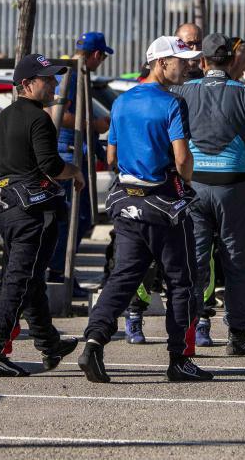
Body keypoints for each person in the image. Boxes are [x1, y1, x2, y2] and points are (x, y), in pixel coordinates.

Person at [79, 35, 212, 384]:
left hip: (126, 204)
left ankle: (93, 343)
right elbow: (182, 158)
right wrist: (184, 180)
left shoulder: (121, 102)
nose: (188, 66)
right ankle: (179, 360)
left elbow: (110, 155)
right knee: (181, 282)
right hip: (165, 204)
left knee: (122, 277)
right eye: (181, 61)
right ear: (160, 62)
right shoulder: (172, 103)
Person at [0, 53, 85, 377]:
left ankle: (48, 344)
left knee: (30, 278)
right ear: (27, 84)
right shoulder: (39, 118)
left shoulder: (3, 117)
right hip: (32, 213)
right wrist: (76, 171)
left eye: (54, 78)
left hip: (8, 211)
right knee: (19, 280)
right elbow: (51, 166)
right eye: (48, 79)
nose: (54, 83)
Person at [173, 33, 245, 355]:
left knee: (195, 261)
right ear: (231, 61)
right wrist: (241, 164)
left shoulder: (182, 92)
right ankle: (238, 336)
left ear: (202, 62)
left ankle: (186, 333)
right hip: (233, 185)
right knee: (236, 262)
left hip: (194, 185)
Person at [48, 31, 113, 291]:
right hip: (68, 152)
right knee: (76, 217)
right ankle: (58, 272)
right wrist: (95, 125)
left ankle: (61, 272)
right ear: (96, 55)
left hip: (74, 150)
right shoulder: (71, 75)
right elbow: (58, 113)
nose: (101, 62)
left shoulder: (74, 73)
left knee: (80, 217)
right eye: (102, 57)